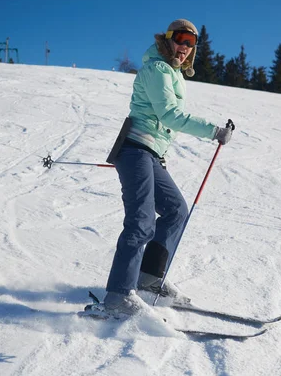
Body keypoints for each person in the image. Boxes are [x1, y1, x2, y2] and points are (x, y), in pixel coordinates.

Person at [100, 19, 233, 317]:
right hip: (135, 150)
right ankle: (117, 296)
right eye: (181, 39)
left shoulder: (172, 72)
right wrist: (213, 131)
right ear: (167, 39)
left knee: (176, 211)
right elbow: (170, 115)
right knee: (142, 220)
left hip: (150, 154)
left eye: (191, 43)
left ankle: (148, 278)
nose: (185, 47)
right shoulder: (157, 69)